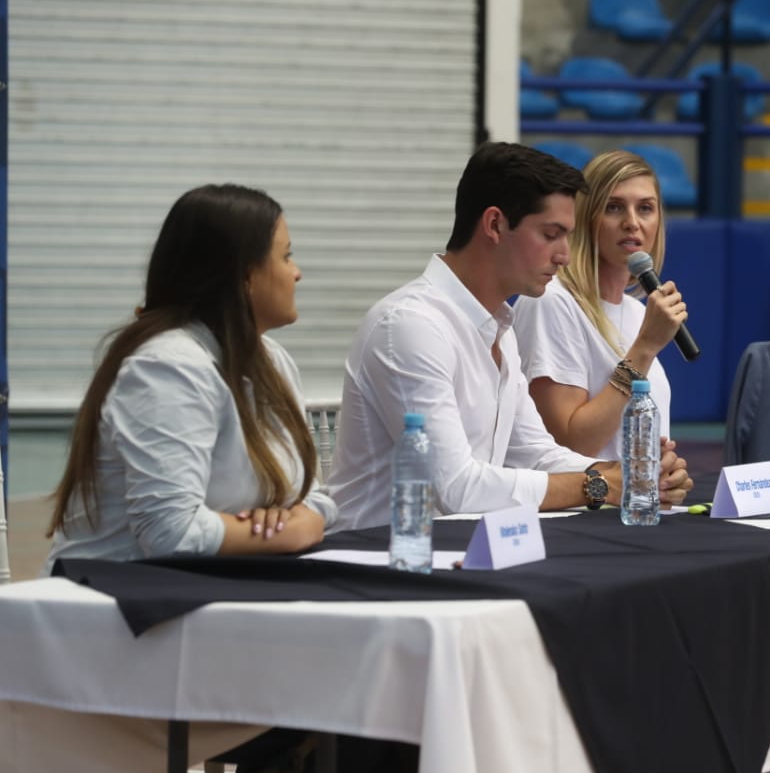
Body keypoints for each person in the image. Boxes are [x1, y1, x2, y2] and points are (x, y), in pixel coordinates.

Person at [329, 142, 692, 528]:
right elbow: (456, 488)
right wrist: (602, 483)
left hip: (452, 554)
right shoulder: (409, 325)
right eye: (550, 234)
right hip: (375, 559)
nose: (564, 255)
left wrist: (636, 474)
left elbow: (534, 452)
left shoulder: (499, 328)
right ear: (494, 225)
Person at [45, 184, 336, 572]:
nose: (296, 273)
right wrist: (286, 532)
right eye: (286, 257)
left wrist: (296, 519)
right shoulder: (167, 368)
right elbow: (170, 533)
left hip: (220, 582)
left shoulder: (272, 360)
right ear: (245, 276)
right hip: (113, 599)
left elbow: (313, 498)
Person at [511, 149, 686, 459]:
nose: (632, 223)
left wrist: (661, 473)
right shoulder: (550, 302)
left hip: (630, 504)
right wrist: (644, 348)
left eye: (645, 208)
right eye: (614, 207)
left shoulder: (637, 313)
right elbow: (568, 448)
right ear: (586, 217)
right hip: (574, 506)